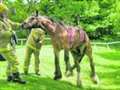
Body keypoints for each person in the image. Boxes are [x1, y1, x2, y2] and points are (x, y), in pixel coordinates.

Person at [0, 3, 26, 84]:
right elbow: (1, 34)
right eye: (4, 11)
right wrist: (11, 32)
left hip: (9, 45)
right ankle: (16, 76)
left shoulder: (5, 20)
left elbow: (14, 25)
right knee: (14, 61)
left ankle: (9, 75)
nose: (6, 13)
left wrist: (22, 24)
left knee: (10, 61)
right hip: (4, 46)